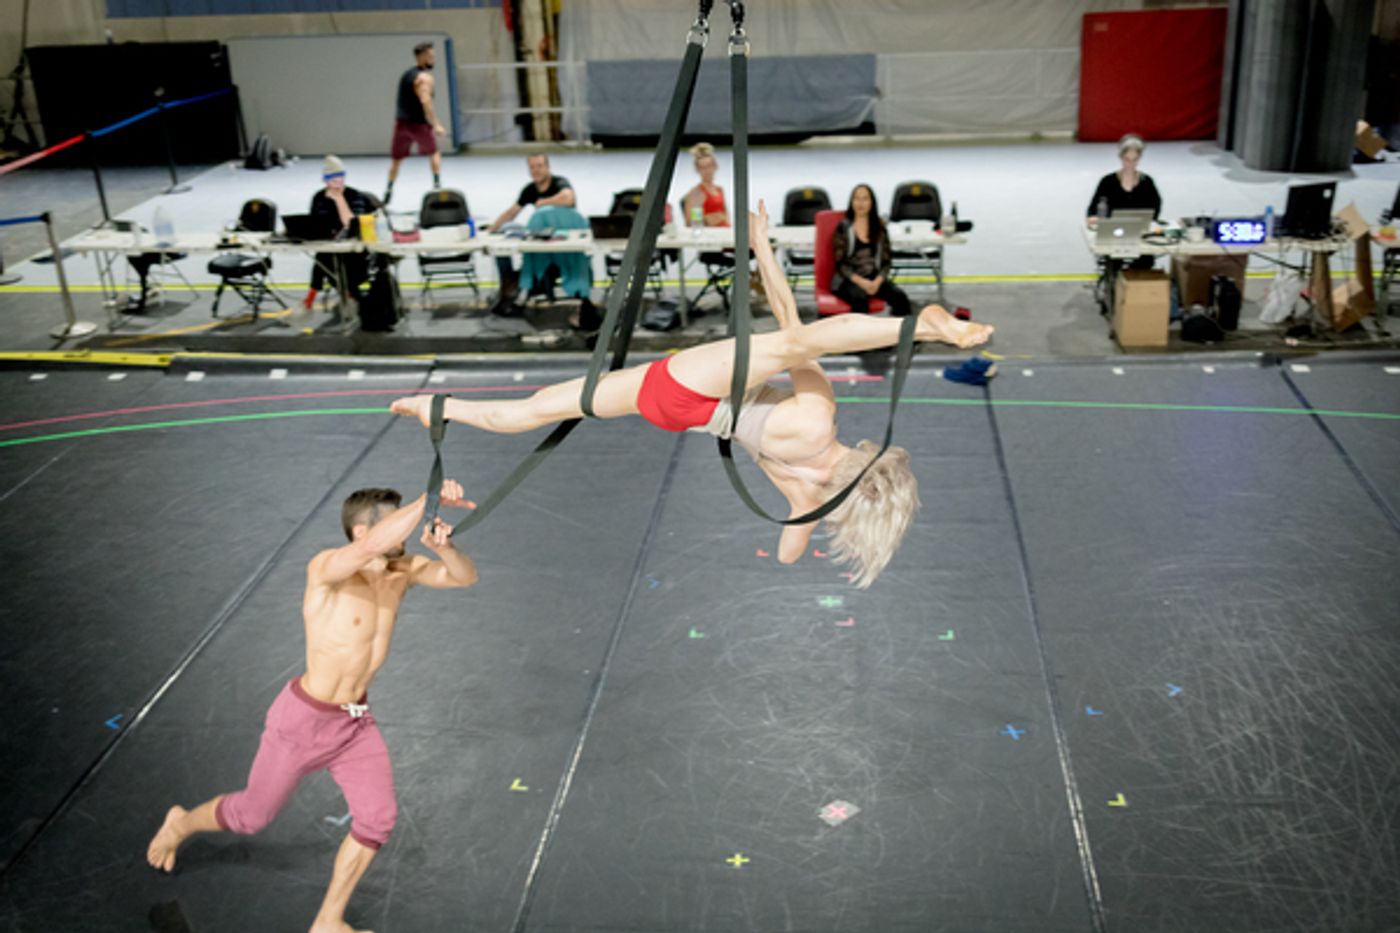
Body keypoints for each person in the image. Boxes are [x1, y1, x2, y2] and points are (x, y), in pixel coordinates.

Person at [391, 201, 994, 588]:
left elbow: (799, 334)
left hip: (694, 389)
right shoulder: (804, 489)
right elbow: (788, 556)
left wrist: (762, 249)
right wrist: (812, 514)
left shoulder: (818, 423)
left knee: (796, 344)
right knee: (540, 410)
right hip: (681, 412)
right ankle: (436, 409)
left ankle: (921, 326)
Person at [146, 481, 479, 933]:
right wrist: (428, 500)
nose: (405, 529)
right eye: (395, 521)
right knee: (252, 817)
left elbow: (464, 577)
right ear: (361, 531)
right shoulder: (327, 568)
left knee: (377, 820)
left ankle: (327, 921)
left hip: (355, 724)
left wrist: (445, 547)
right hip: (301, 723)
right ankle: (181, 823)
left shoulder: (402, 572)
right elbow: (372, 548)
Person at [487, 153, 578, 316]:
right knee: (506, 230)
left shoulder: (560, 183)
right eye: (532, 167)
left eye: (539, 166)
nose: (536, 170)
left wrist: (544, 202)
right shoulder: (529, 189)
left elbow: (568, 198)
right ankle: (507, 285)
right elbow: (512, 212)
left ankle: (520, 288)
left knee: (532, 255)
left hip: (560, 239)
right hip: (539, 235)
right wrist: (492, 229)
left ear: (548, 167)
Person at [304, 154, 377, 311]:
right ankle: (310, 297)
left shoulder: (355, 196)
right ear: (325, 181)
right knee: (322, 255)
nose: (336, 183)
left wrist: (339, 199)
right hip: (329, 246)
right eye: (331, 179)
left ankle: (347, 293)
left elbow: (352, 223)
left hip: (355, 249)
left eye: (339, 178)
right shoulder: (319, 197)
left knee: (333, 257)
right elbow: (313, 223)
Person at [829, 184, 912, 317]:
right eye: (857, 198)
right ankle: (861, 331)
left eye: (865, 199)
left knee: (900, 297)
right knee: (859, 298)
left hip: (874, 279)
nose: (860, 203)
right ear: (851, 202)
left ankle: (901, 330)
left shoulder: (880, 228)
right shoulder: (843, 228)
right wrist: (862, 282)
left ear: (872, 203)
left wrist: (877, 282)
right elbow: (841, 265)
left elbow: (886, 262)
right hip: (848, 280)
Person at [383, 42, 447, 206]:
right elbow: (425, 100)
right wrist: (436, 124)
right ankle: (437, 186)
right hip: (418, 124)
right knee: (434, 152)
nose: (433, 59)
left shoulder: (406, 75)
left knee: (397, 159)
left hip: (401, 124)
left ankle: (389, 189)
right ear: (422, 57)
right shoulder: (424, 78)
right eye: (430, 56)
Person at [1086, 133, 1162, 223]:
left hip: (1140, 229)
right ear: (1121, 157)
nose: (1130, 164)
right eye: (1127, 159)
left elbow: (1155, 210)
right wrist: (1093, 218)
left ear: (1139, 158)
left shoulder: (1147, 182)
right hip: (1111, 229)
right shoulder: (1107, 182)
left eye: (1135, 160)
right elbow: (1092, 211)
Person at [683, 142, 729, 227]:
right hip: (710, 233)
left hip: (725, 230)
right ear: (697, 169)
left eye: (709, 166)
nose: (707, 171)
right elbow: (691, 222)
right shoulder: (697, 192)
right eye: (703, 168)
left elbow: (726, 216)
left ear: (715, 166)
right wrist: (708, 219)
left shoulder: (720, 190)